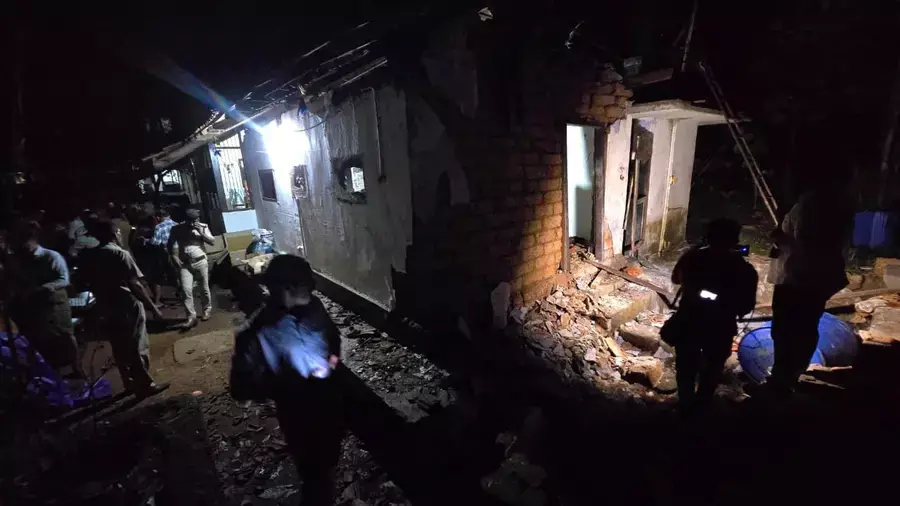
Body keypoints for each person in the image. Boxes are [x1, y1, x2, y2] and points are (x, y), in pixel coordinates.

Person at [230, 255, 342, 506]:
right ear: (285, 288)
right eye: (307, 283)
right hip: (298, 413)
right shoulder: (255, 333)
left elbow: (334, 339)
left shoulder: (314, 308)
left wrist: (331, 365)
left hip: (329, 402)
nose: (313, 288)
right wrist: (284, 385)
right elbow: (240, 387)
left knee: (330, 459)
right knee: (313, 471)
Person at [765, 185, 853, 397]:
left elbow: (808, 247)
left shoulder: (811, 204)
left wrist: (781, 239)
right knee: (802, 327)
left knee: (789, 330)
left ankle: (783, 381)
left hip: (799, 279)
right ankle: (790, 376)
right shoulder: (832, 202)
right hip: (812, 278)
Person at [664, 218, 758, 413]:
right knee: (712, 369)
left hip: (690, 321)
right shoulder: (744, 269)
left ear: (708, 237)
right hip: (721, 326)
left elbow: (675, 278)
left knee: (686, 365)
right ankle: (702, 406)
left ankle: (686, 405)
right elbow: (746, 306)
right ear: (735, 240)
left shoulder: (694, 258)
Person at [80, 219, 167, 396]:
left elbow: (87, 282)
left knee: (118, 345)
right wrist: (153, 307)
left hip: (105, 305)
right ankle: (145, 384)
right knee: (136, 344)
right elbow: (135, 284)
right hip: (126, 303)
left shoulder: (92, 256)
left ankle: (128, 382)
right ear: (115, 234)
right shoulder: (120, 254)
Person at [7, 220, 84, 378]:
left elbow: (63, 280)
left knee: (66, 335)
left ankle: (77, 368)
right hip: (35, 305)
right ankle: (47, 372)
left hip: (55, 303)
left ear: (33, 241)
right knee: (38, 338)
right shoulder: (19, 260)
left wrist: (42, 288)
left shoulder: (51, 256)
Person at [167, 205, 215, 327]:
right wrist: (173, 256)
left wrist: (201, 232)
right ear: (185, 220)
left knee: (204, 288)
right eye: (191, 221)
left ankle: (207, 310)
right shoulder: (177, 229)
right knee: (186, 290)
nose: (194, 223)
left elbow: (212, 242)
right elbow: (169, 244)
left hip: (200, 261)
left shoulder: (203, 227)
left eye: (196, 220)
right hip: (185, 263)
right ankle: (191, 316)